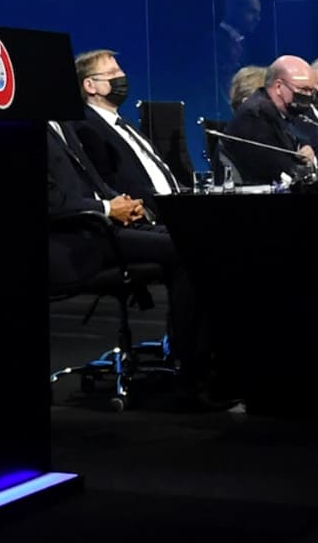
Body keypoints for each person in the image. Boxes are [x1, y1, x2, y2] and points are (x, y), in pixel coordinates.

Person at [45, 118, 216, 402]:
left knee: (197, 237)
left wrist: (122, 202)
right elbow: (53, 201)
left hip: (106, 228)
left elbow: (94, 183)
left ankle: (210, 358)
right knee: (187, 248)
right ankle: (191, 368)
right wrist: (108, 208)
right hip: (79, 239)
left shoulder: (64, 126)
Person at [72, 49, 181, 220]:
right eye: (112, 73)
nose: (121, 76)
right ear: (90, 86)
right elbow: (109, 184)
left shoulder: (126, 125)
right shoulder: (87, 128)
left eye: (120, 71)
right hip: (147, 217)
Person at [222, 55, 318, 185]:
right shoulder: (256, 115)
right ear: (278, 87)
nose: (307, 96)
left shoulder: (280, 112)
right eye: (303, 90)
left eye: (311, 92)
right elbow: (282, 170)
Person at [214, 0, 262, 115]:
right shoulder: (214, 42)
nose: (257, 19)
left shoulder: (244, 43)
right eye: (252, 12)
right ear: (234, 10)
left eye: (258, 13)